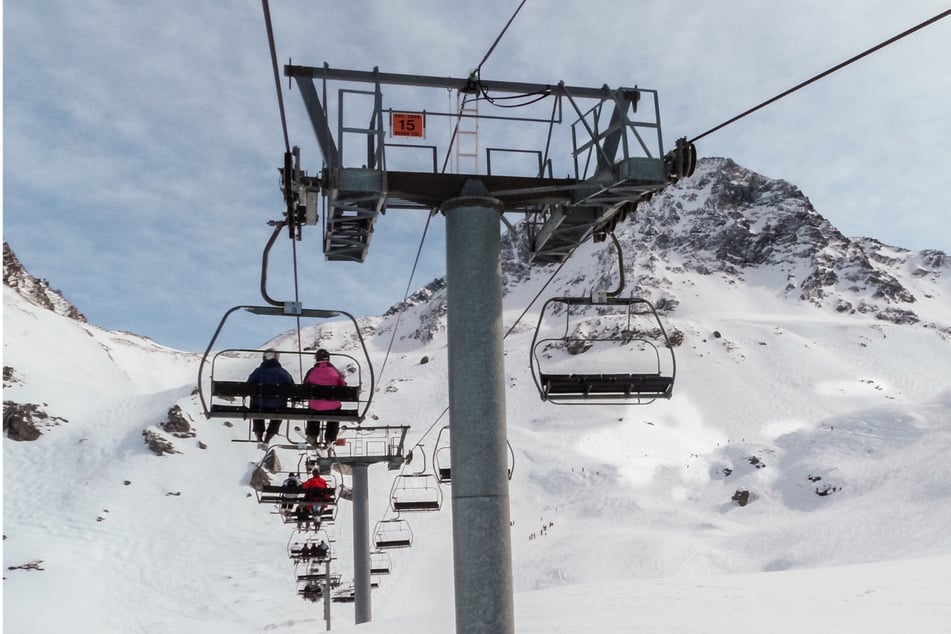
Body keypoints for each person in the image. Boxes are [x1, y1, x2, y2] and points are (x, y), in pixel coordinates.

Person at [247, 349, 295, 445]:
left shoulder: (257, 372)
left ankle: (259, 433)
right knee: (280, 411)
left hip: (259, 406)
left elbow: (247, 387)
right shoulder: (284, 373)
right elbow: (292, 389)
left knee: (256, 408)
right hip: (277, 408)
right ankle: (269, 435)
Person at [303, 349, 348, 448]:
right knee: (334, 414)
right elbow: (343, 386)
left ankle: (312, 434)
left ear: (316, 359)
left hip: (315, 407)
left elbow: (305, 386)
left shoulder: (312, 371)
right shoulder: (335, 372)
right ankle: (330, 437)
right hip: (332, 407)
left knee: (313, 411)